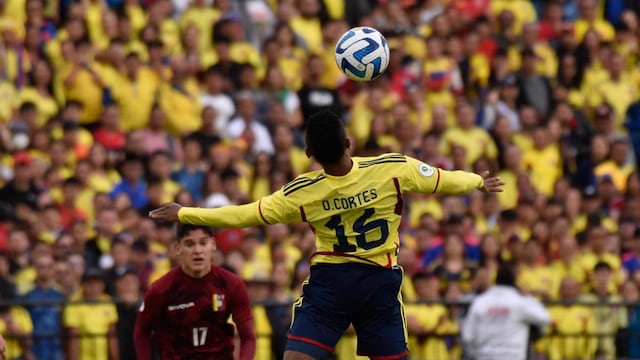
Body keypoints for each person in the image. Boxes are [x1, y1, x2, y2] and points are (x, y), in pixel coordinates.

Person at [149, 109, 505, 360]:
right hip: (378, 280)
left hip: (331, 282)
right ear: (349, 141)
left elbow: (243, 215)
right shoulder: (392, 169)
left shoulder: (302, 192)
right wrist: (479, 182)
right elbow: (444, 180)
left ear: (309, 153)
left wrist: (184, 211)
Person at [133, 223, 256, 360]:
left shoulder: (232, 284)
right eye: (190, 244)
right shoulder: (160, 289)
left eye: (203, 243)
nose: (197, 250)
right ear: (177, 248)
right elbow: (141, 332)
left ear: (213, 244)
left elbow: (248, 337)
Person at [461, 265, 551, 360]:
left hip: (485, 356)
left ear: (495, 280)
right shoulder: (520, 302)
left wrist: (476, 354)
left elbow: (468, 336)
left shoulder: (480, 302)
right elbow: (545, 319)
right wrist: (529, 296)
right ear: (514, 281)